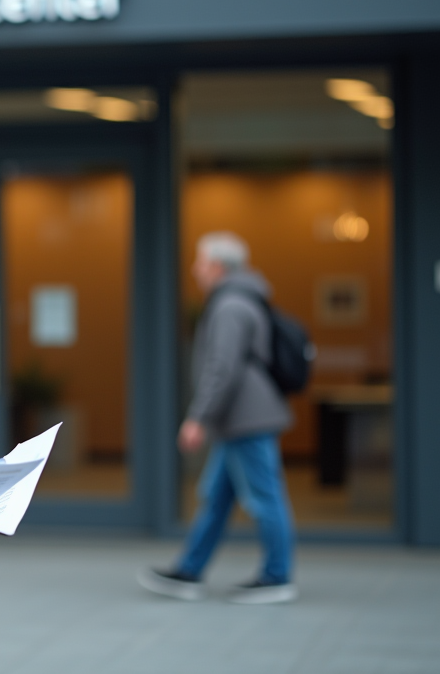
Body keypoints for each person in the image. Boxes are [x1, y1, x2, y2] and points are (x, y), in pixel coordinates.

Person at [138, 231, 297, 605]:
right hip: (239, 420)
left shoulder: (230, 306)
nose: (195, 269)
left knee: (265, 497)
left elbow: (222, 369)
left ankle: (278, 576)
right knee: (217, 498)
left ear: (217, 266)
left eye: (200, 261)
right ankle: (189, 571)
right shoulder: (243, 299)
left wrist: (198, 418)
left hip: (246, 420)